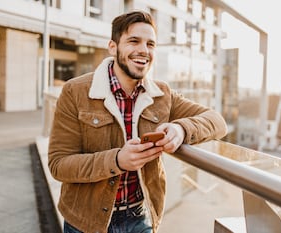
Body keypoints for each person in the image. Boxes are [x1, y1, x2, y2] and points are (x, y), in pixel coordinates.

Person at [48, 10, 228, 233]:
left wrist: (181, 129)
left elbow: (217, 121)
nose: (144, 50)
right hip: (85, 221)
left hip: (140, 220)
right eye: (134, 41)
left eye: (151, 44)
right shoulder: (75, 91)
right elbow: (59, 165)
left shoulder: (162, 94)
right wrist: (117, 160)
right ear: (113, 47)